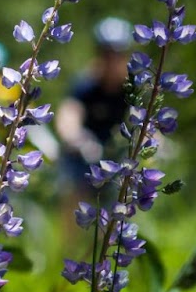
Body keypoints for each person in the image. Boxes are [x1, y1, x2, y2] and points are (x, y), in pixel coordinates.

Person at [57, 17, 136, 199]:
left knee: (124, 196)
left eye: (118, 54)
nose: (112, 60)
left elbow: (145, 119)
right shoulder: (86, 83)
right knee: (74, 190)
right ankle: (70, 227)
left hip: (117, 153)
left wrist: (158, 143)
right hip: (85, 151)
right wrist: (76, 137)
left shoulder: (132, 87)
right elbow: (68, 115)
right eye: (107, 53)